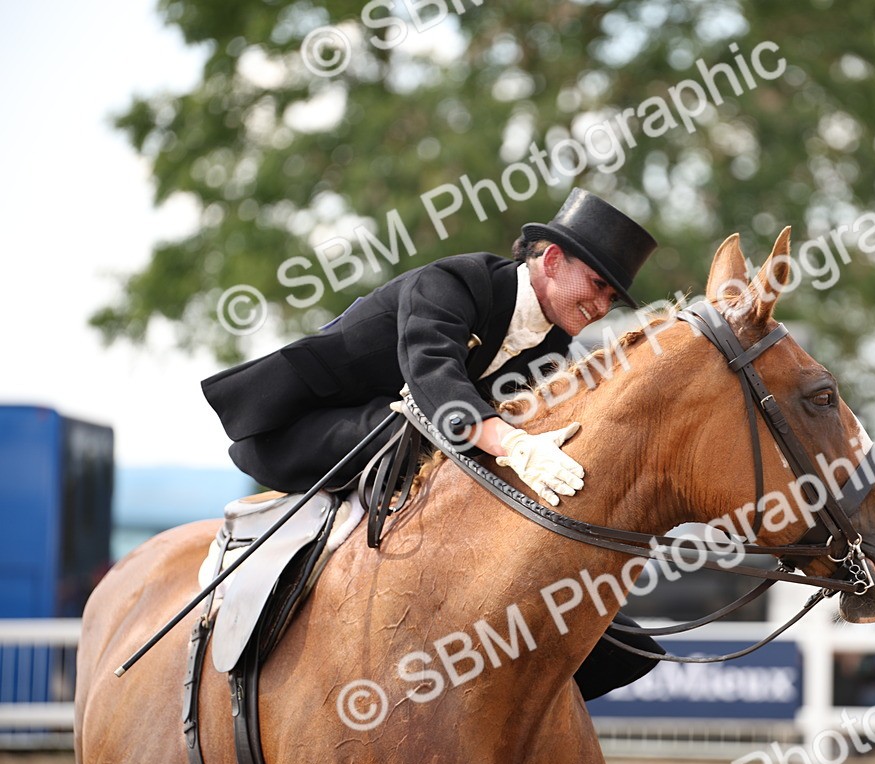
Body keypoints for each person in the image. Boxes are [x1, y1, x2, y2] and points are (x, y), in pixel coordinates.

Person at [201, 188, 664, 699]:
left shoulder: (555, 348)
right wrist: (514, 444)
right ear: (552, 261)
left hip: (406, 439)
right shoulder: (452, 283)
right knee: (417, 431)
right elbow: (433, 380)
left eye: (612, 299)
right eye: (598, 285)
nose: (602, 307)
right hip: (302, 429)